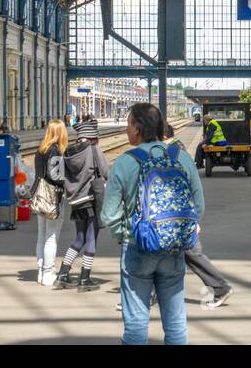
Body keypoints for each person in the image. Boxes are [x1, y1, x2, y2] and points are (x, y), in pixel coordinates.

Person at [101, 103, 205, 344]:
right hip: (173, 248)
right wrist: (177, 232)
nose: (126, 129)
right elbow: (197, 204)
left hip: (137, 246)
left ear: (137, 128)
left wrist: (126, 235)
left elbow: (109, 215)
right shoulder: (181, 158)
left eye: (128, 124)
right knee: (176, 323)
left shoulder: (125, 163)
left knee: (136, 324)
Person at [163, 122, 233, 308]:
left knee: (191, 254)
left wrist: (195, 218)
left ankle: (221, 288)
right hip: (179, 217)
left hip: (181, 218)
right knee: (170, 255)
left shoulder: (175, 152)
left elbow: (193, 189)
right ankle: (150, 293)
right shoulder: (177, 150)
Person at [52, 119, 109, 292]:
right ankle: (84, 279)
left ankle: (63, 274)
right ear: (93, 137)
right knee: (91, 239)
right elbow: (106, 172)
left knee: (79, 238)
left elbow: (60, 176)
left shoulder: (68, 152)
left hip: (75, 201)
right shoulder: (93, 150)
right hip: (91, 199)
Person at [33, 120, 68, 287]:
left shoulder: (41, 150)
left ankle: (41, 271)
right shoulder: (55, 150)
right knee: (51, 237)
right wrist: (67, 182)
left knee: (41, 235)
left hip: (40, 197)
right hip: (53, 198)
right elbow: (56, 176)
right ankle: (48, 273)